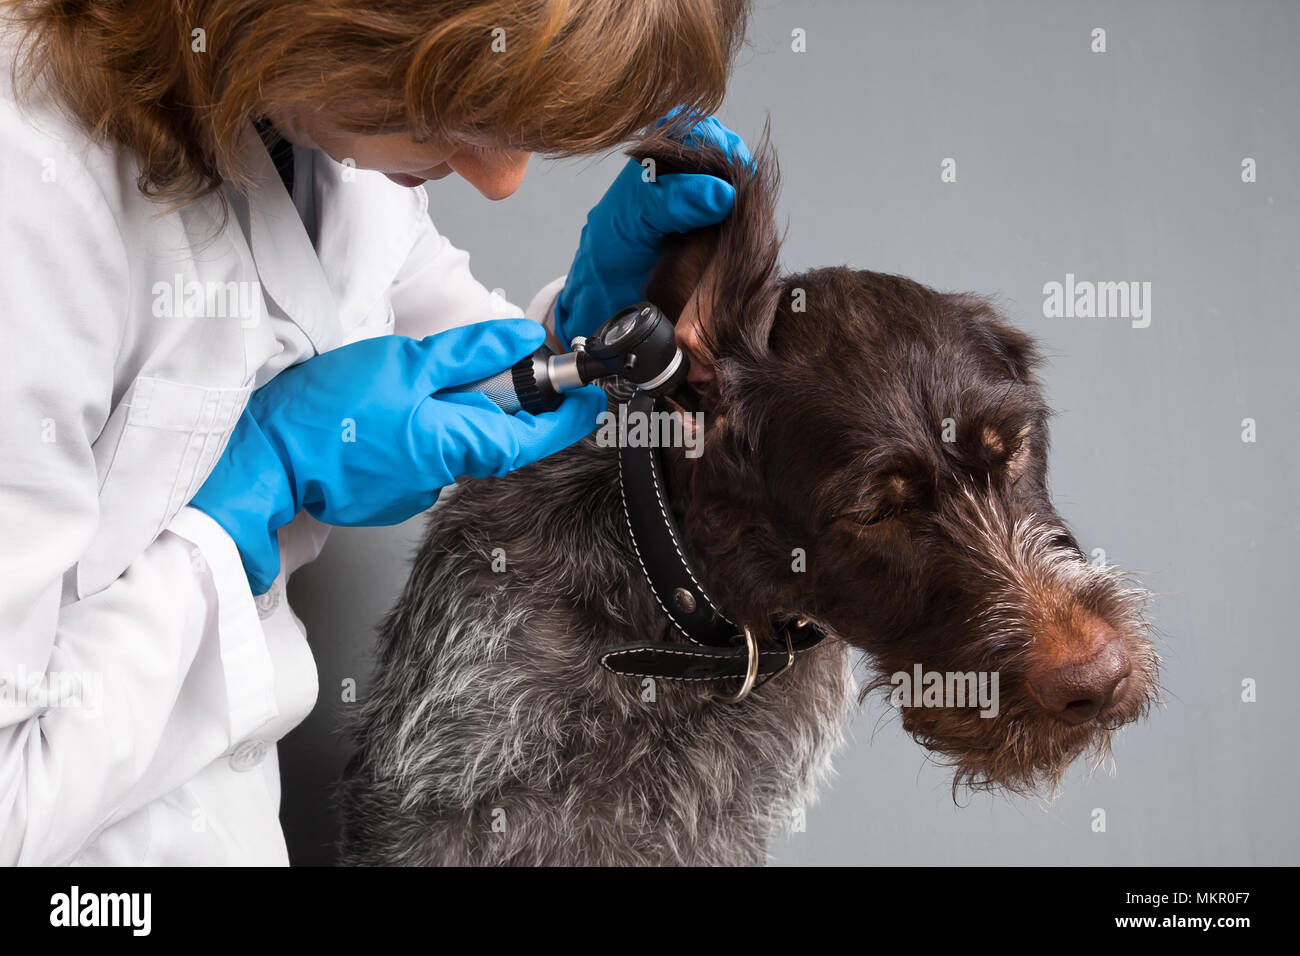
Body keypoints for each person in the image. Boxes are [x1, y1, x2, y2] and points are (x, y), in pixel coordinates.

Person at [0, 0, 751, 865]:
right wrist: (243, 501)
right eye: (461, 112)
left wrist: (588, 337)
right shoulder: (33, 177)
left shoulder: (327, 134)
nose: (501, 179)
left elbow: (451, 363)